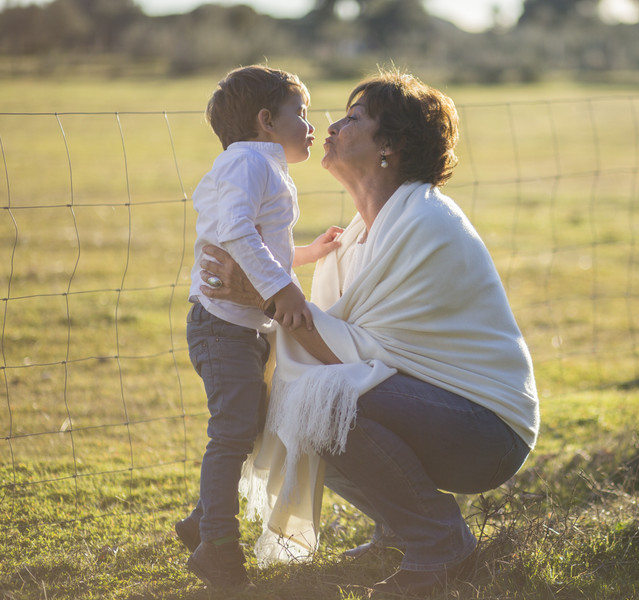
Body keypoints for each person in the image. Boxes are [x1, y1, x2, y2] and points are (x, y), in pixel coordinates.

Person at [198, 68, 540, 598]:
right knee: (301, 401)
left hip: (487, 429)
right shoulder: (355, 238)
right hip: (432, 409)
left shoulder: (426, 221)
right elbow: (340, 349)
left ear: (391, 147)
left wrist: (259, 293)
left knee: (329, 401)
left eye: (354, 119)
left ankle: (441, 543)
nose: (331, 126)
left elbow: (348, 358)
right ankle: (401, 529)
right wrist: (262, 291)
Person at [176, 64, 341, 591]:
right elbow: (237, 233)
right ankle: (217, 547)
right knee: (230, 435)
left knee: (245, 426)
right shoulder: (249, 163)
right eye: (302, 114)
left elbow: (265, 246)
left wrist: (310, 253)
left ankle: (201, 520)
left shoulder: (261, 163)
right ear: (267, 120)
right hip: (222, 328)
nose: (312, 126)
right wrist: (281, 289)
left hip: (238, 328)